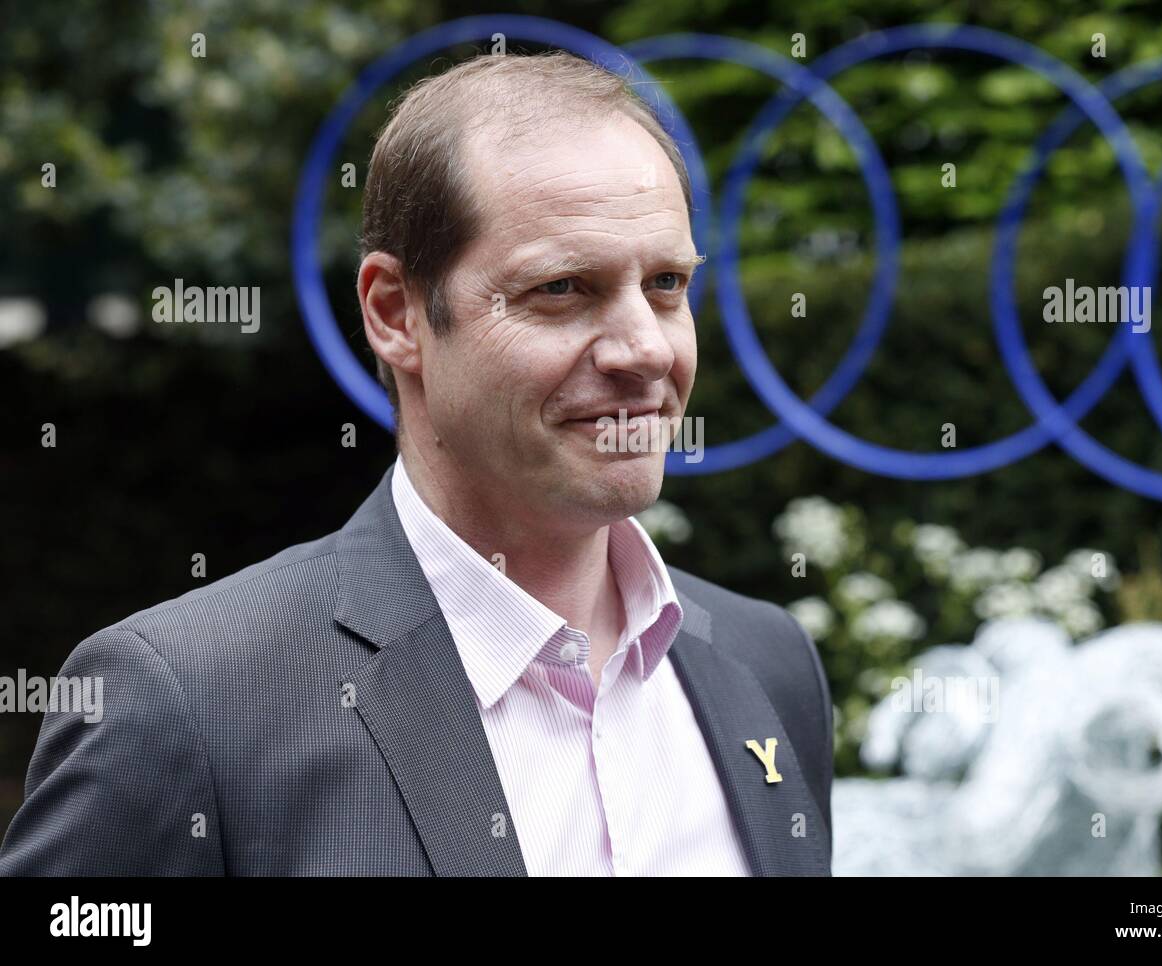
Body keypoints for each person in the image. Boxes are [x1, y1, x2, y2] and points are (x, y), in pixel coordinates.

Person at [0, 50, 832, 876]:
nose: (644, 350)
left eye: (666, 284)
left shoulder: (769, 664)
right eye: (563, 288)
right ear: (395, 314)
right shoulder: (184, 705)